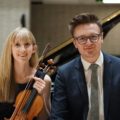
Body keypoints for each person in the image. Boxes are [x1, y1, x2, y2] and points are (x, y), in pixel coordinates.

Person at [51, 13, 120, 120]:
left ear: (101, 38)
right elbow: (58, 115)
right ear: (75, 43)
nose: (88, 43)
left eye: (93, 37)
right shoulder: (64, 73)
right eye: (82, 38)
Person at [0, 27, 51, 120]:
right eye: (17, 45)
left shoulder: (45, 80)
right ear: (10, 49)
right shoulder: (1, 78)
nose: (23, 49)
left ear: (34, 48)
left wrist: (42, 95)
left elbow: (44, 118)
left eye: (27, 44)